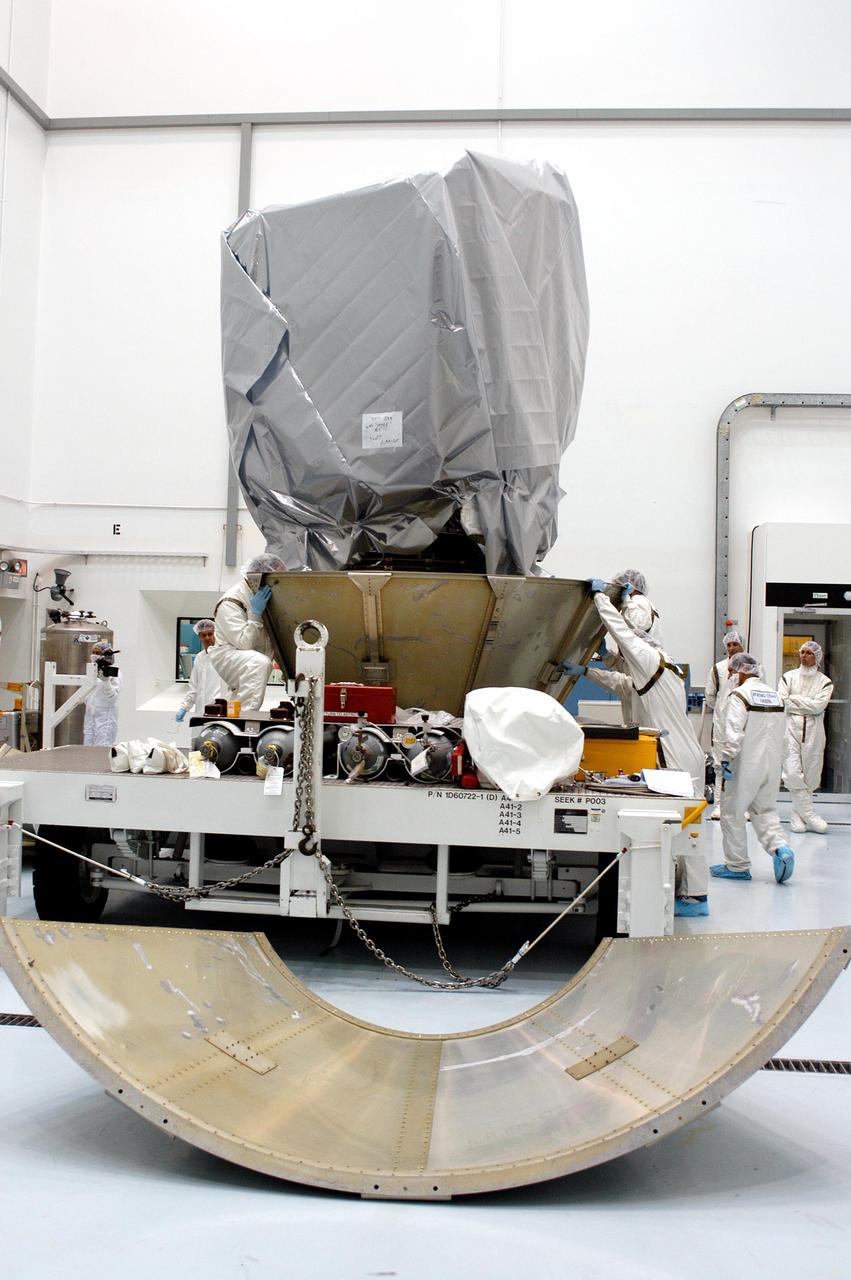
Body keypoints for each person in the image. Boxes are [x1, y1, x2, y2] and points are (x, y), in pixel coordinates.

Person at [581, 579, 708, 915]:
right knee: (687, 826)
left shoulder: (648, 657)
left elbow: (623, 634)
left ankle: (695, 896)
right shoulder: (664, 665)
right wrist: (587, 670)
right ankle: (689, 891)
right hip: (686, 753)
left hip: (675, 757)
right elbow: (624, 684)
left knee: (682, 828)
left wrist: (600, 598)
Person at [710, 652, 795, 884]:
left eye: (731, 671)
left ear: (741, 672)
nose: (730, 676)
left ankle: (737, 866)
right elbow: (785, 738)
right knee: (765, 811)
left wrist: (725, 760)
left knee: (732, 814)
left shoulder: (739, 695)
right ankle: (781, 849)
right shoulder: (776, 696)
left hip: (744, 767)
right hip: (771, 766)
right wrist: (780, 762)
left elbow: (733, 732)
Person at [207, 554, 286, 712]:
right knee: (258, 663)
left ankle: (236, 712)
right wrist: (255, 615)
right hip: (228, 654)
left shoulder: (263, 596)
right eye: (276, 578)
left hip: (252, 655)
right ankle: (246, 715)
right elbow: (244, 643)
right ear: (260, 576)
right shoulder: (230, 601)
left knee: (257, 668)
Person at [779, 640, 834, 834]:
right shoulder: (788, 677)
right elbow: (782, 701)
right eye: (802, 652)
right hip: (790, 729)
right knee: (792, 772)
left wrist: (794, 700)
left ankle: (798, 817)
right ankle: (811, 815)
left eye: (808, 653)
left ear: (816, 657)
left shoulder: (825, 682)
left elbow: (818, 706)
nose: (803, 656)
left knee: (810, 775)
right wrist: (807, 703)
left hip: (814, 731)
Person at [704, 629, 744, 818]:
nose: (732, 647)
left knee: (742, 764)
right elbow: (710, 696)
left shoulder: (753, 668)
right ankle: (720, 805)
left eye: (735, 644)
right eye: (729, 644)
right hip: (721, 723)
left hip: (744, 723)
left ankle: (741, 807)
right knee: (720, 765)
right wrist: (723, 709)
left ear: (742, 646)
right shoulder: (718, 669)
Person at [176, 619, 228, 723]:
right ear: (199, 637)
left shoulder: (224, 655)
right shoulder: (199, 658)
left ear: (215, 634)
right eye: (203, 635)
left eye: (210, 634)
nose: (207, 638)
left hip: (219, 711)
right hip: (200, 711)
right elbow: (194, 687)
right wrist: (184, 707)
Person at [83, 640, 122, 746]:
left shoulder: (114, 674)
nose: (94, 655)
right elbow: (89, 694)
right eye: (93, 652)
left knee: (102, 748)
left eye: (98, 653)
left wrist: (106, 681)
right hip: (90, 716)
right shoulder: (92, 672)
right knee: (87, 748)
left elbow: (113, 698)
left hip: (105, 719)